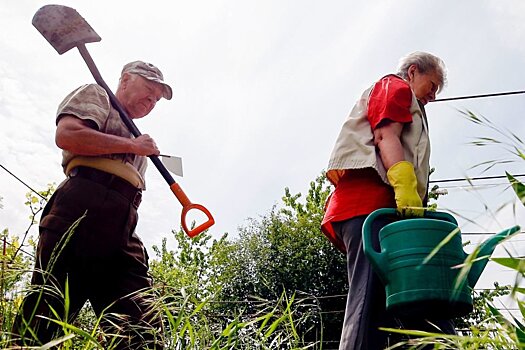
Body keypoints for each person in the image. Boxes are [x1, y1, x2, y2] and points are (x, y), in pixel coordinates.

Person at [13, 61, 172, 349]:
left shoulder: (137, 134)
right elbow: (68, 135)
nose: (151, 101)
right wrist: (133, 147)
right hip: (83, 204)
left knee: (140, 322)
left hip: (124, 219)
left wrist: (137, 147)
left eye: (156, 99)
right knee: (50, 309)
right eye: (148, 90)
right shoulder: (98, 95)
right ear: (125, 80)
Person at [321, 52, 455, 349]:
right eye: (431, 86)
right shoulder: (394, 87)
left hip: (392, 218)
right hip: (369, 211)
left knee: (419, 302)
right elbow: (385, 135)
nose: (433, 96)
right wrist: (405, 184)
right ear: (412, 72)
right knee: (368, 303)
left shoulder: (415, 106)